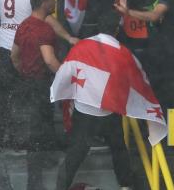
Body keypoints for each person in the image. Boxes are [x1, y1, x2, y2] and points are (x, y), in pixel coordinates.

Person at [54, 10, 136, 190]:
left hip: (85, 111)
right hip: (110, 110)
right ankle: (126, 185)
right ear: (116, 30)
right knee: (119, 148)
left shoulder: (81, 47)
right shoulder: (122, 52)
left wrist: (63, 97)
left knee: (75, 154)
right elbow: (130, 81)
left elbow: (66, 73)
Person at [10, 0, 62, 190]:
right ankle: (36, 180)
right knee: (39, 130)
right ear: (44, 4)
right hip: (40, 84)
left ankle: (42, 169)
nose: (55, 1)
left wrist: (24, 71)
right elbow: (49, 60)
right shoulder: (44, 29)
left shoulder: (23, 25)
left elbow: (14, 55)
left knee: (37, 129)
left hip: (27, 83)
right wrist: (67, 78)